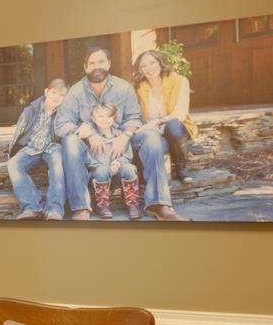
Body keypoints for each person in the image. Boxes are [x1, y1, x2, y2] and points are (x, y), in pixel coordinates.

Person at [54, 45, 183, 220]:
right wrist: (88, 133)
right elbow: (61, 124)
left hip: (122, 141)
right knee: (70, 141)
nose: (97, 66)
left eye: (101, 61)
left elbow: (135, 118)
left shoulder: (123, 87)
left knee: (152, 138)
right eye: (92, 63)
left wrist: (124, 136)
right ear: (85, 67)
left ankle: (158, 204)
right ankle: (80, 206)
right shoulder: (76, 92)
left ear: (109, 64)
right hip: (93, 150)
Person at [4, 78, 69, 219]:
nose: (57, 97)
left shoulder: (65, 112)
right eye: (54, 92)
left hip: (52, 146)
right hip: (31, 147)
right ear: (46, 92)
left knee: (57, 162)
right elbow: (18, 133)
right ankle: (32, 207)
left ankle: (55, 209)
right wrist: (11, 155)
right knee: (13, 164)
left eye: (62, 95)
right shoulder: (30, 110)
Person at [134, 48, 196, 185]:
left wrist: (157, 121)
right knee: (154, 145)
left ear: (160, 62)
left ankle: (182, 169)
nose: (149, 68)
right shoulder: (139, 87)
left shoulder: (179, 81)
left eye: (152, 63)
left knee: (173, 126)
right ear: (140, 70)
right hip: (151, 130)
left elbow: (180, 113)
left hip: (174, 126)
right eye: (143, 66)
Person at [84, 104, 141, 219]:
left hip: (119, 174)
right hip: (99, 177)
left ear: (114, 118)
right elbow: (88, 160)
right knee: (101, 170)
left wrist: (119, 163)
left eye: (108, 116)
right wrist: (108, 168)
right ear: (94, 119)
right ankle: (102, 205)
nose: (105, 119)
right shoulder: (91, 138)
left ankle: (132, 204)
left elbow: (128, 155)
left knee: (129, 168)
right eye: (101, 116)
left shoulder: (120, 135)